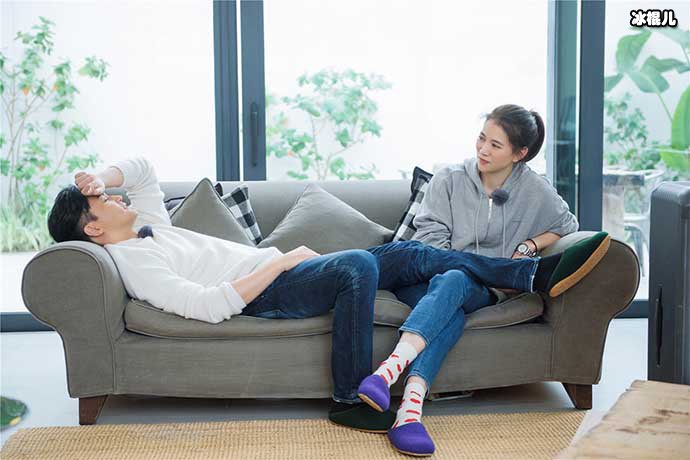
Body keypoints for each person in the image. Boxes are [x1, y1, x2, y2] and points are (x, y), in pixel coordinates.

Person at [47, 154, 607, 440]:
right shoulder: (135, 262)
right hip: (270, 289)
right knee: (359, 263)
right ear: (93, 229)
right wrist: (282, 261)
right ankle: (347, 398)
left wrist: (98, 177)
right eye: (105, 201)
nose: (117, 197)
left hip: (283, 272)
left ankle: (527, 277)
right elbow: (210, 305)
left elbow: (141, 170)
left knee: (412, 254)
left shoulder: (144, 225)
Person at [357, 104, 591, 456]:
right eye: (482, 138)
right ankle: (409, 412)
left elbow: (568, 224)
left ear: (520, 153)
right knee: (451, 284)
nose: (483, 149)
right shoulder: (448, 179)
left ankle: (387, 373)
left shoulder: (533, 189)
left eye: (495, 145)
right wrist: (487, 266)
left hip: (483, 290)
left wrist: (530, 244)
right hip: (426, 281)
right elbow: (430, 247)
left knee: (456, 282)